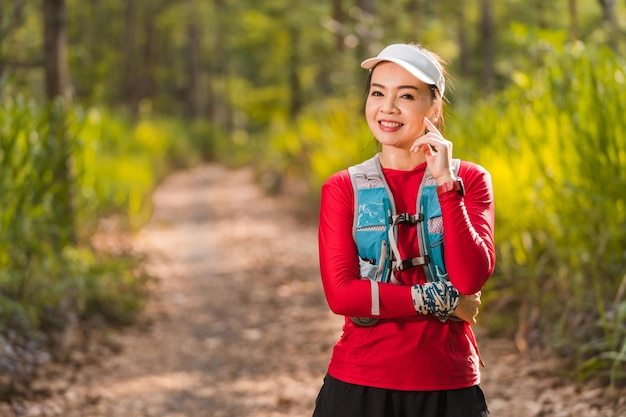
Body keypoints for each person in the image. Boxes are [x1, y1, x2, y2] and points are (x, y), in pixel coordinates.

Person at [313, 43, 496, 417]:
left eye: (406, 95)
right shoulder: (342, 188)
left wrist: (446, 183)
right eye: (378, 92)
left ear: (434, 108)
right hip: (358, 384)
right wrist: (441, 300)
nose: (387, 108)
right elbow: (343, 296)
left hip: (448, 383)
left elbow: (470, 277)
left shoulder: (470, 180)